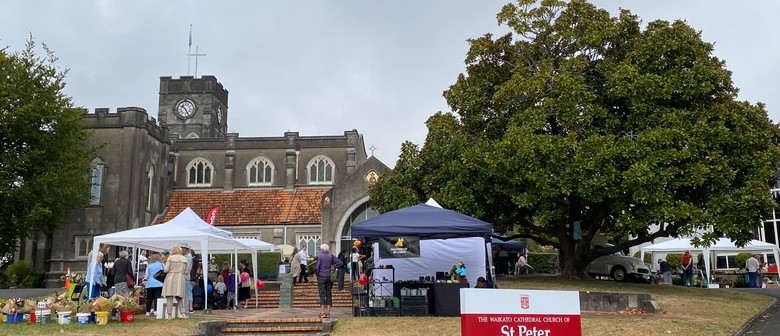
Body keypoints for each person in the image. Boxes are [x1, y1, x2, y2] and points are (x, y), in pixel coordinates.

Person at [314, 243, 342, 318]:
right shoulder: (331, 256)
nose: (320, 251)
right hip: (329, 277)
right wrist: (334, 269)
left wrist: (318, 275)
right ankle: (328, 312)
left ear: (322, 249)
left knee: (322, 294)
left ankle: (322, 312)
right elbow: (340, 263)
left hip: (321, 277)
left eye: (320, 249)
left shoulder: (320, 256)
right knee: (328, 294)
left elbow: (317, 267)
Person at [162, 244, 189, 319]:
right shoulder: (185, 259)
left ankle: (169, 315)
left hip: (170, 277)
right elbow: (186, 271)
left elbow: (166, 269)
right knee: (179, 297)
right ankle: (183, 314)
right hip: (180, 278)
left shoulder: (170, 258)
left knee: (169, 296)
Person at [180, 243, 194, 316]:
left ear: (186, 249)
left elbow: (187, 268)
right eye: (181, 248)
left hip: (185, 277)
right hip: (182, 276)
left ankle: (185, 310)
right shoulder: (182, 256)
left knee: (186, 294)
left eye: (183, 248)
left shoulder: (188, 256)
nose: (181, 249)